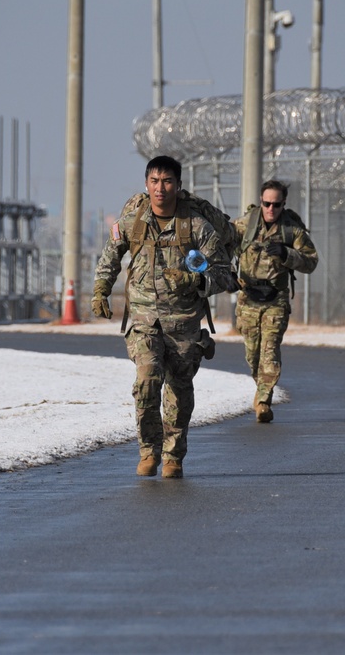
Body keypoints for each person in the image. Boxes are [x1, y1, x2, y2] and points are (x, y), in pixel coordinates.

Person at [91, 155, 236, 479]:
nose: (160, 188)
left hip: (184, 324)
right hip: (144, 323)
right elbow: (110, 255)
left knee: (179, 392)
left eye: (167, 181)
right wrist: (101, 289)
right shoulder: (133, 221)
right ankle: (148, 450)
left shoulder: (197, 227)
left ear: (178, 185)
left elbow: (226, 274)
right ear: (146, 184)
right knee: (147, 381)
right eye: (155, 181)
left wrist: (197, 281)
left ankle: (173, 455)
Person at [231, 180, 318, 423]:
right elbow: (224, 245)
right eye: (267, 203)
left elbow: (311, 262)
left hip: (275, 299)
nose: (271, 209)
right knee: (253, 355)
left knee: (269, 351)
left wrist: (286, 254)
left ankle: (263, 401)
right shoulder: (245, 224)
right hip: (248, 298)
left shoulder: (292, 230)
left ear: (283, 204)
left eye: (276, 204)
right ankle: (261, 389)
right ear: (261, 201)